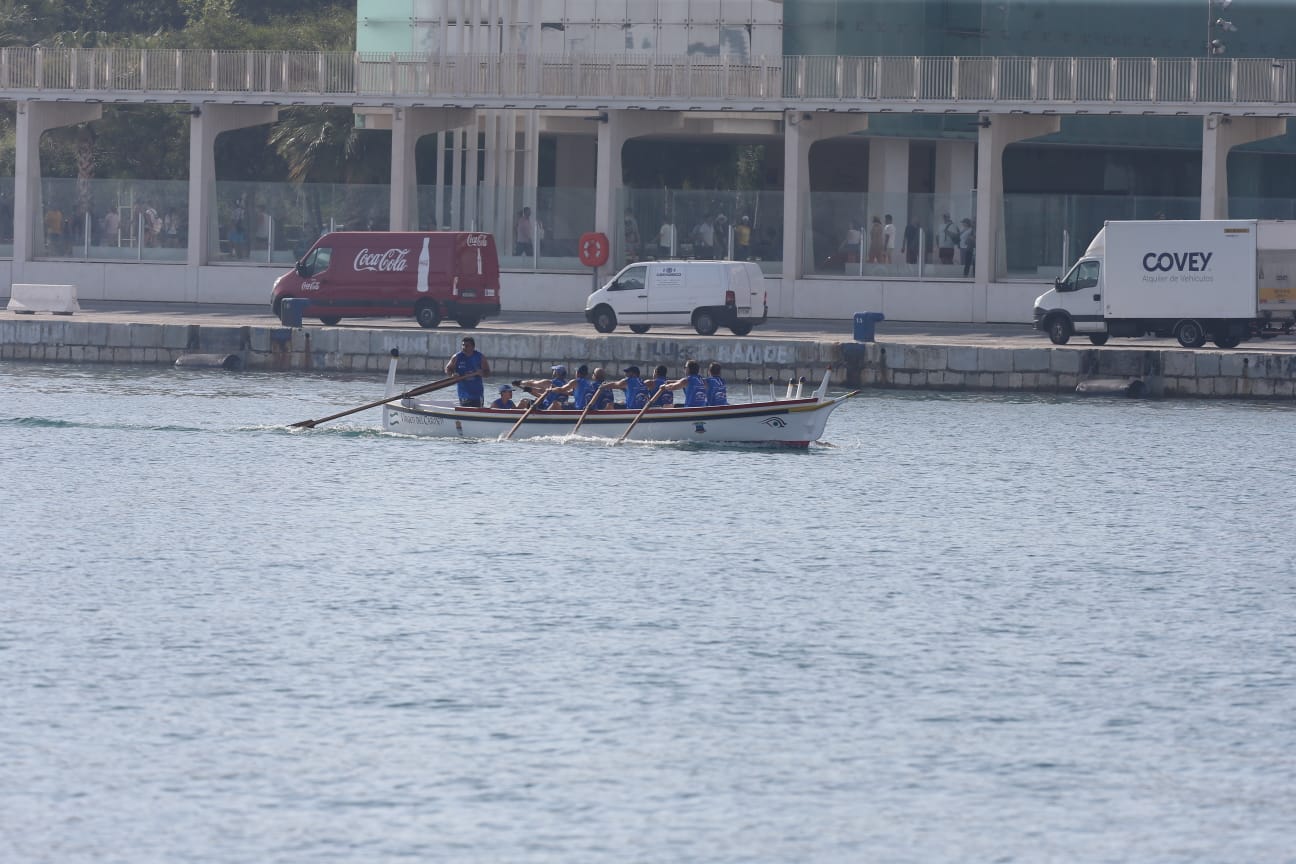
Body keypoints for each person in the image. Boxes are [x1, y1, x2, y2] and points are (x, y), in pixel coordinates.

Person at [444, 335, 490, 407]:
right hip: (464, 395)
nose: (464, 348)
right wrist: (453, 374)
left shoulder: (480, 357)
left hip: (478, 395)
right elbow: (448, 369)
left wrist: (482, 373)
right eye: (463, 345)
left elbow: (487, 373)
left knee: (476, 415)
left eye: (467, 346)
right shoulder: (456, 357)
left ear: (473, 347)